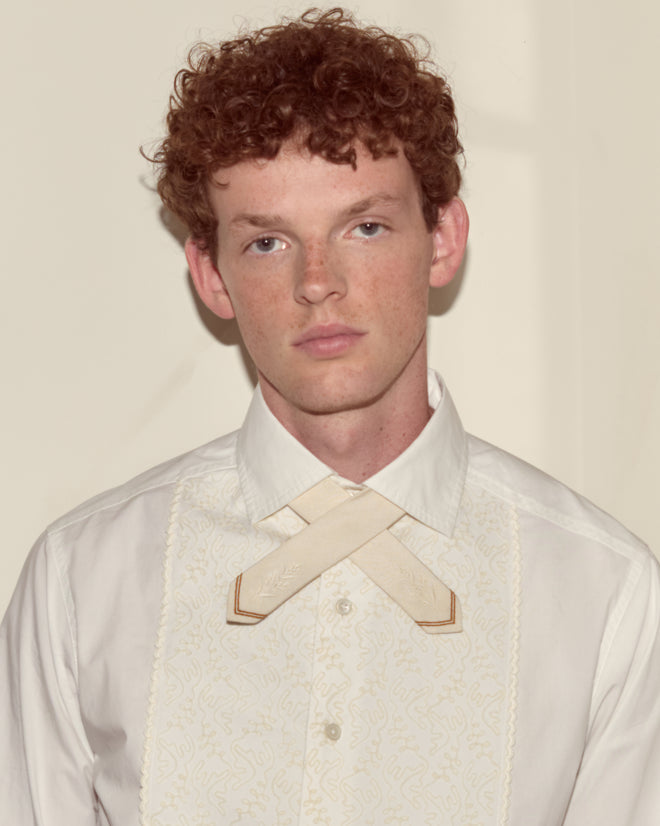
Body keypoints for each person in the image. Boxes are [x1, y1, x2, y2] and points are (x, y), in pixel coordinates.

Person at [2, 8, 659, 825]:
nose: (319, 282)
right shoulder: (79, 582)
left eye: (366, 226)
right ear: (210, 275)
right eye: (268, 243)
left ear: (444, 238)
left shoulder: (605, 594)